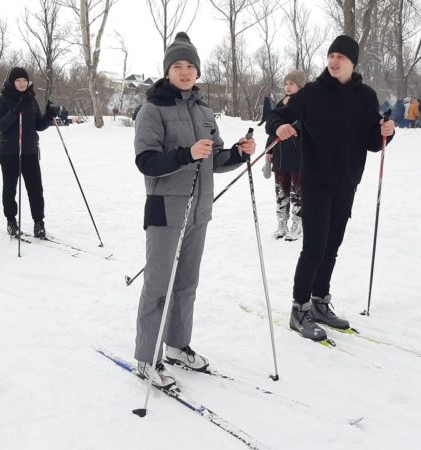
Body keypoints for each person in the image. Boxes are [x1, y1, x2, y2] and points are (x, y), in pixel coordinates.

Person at [133, 32, 255, 388]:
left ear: (197, 71)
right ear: (167, 70)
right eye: (178, 66)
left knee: (187, 283)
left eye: (190, 66)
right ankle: (147, 357)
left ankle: (176, 346)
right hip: (165, 210)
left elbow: (213, 158)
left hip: (198, 209)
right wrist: (186, 154)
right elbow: (146, 162)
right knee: (158, 285)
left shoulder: (203, 111)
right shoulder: (152, 110)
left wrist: (237, 152)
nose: (185, 72)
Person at [266, 35, 395, 341]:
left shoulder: (365, 97)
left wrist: (386, 132)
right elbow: (275, 115)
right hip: (317, 182)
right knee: (314, 247)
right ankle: (300, 308)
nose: (334, 62)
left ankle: (320, 300)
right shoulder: (311, 93)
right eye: (331, 56)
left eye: (341, 57)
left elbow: (372, 142)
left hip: (348, 182)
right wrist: (278, 126)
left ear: (353, 62)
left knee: (332, 247)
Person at [0, 66, 58, 239]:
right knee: (10, 188)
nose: (22, 84)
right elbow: (0, 125)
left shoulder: (31, 100)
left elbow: (38, 125)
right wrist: (15, 112)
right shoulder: (4, 99)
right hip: (9, 152)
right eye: (18, 80)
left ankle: (39, 223)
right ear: (12, 82)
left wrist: (49, 117)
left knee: (35, 188)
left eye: (24, 80)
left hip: (29, 150)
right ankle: (11, 221)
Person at [266, 70, 305, 241]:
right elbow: (272, 129)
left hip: (298, 158)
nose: (288, 87)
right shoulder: (280, 104)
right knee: (281, 191)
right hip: (280, 157)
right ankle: (282, 223)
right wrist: (269, 150)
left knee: (297, 192)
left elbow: (305, 123)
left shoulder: (305, 103)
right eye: (286, 83)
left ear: (300, 86)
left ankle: (298, 223)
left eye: (292, 83)